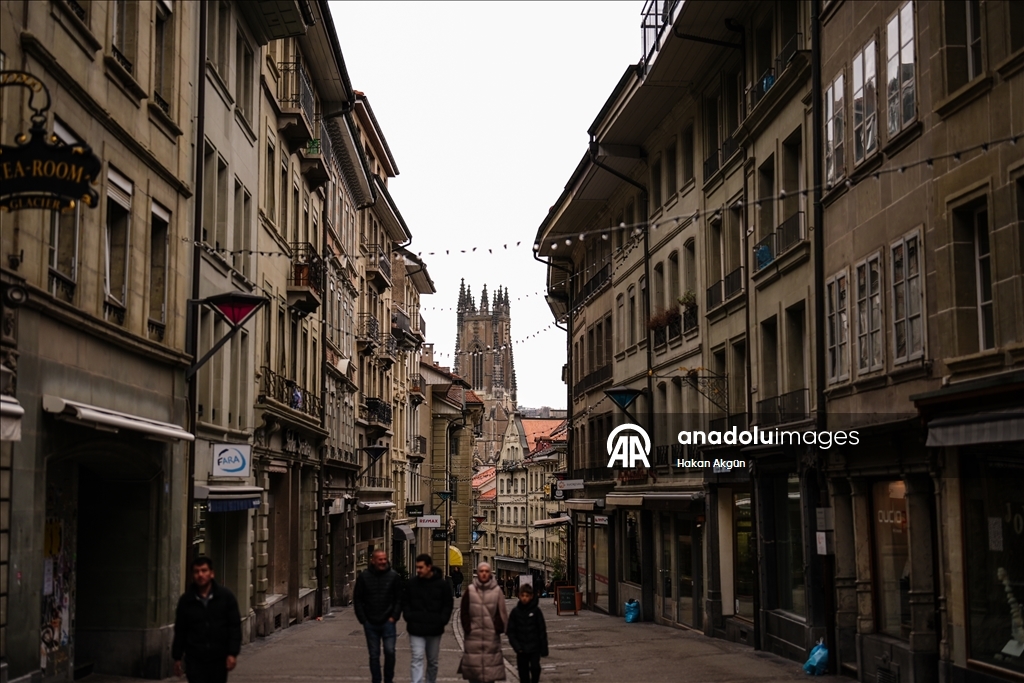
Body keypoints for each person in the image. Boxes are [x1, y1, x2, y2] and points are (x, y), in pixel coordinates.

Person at [172, 556, 242, 683]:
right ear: (193, 575)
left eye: (204, 570)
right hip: (195, 658)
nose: (200, 575)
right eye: (196, 571)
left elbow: (234, 626)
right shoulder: (186, 601)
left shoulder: (225, 597)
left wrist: (232, 653)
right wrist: (177, 657)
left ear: (211, 573)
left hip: (218, 657)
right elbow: (180, 630)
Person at [403, 554, 454, 683]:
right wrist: (409, 616)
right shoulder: (412, 584)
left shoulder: (442, 585)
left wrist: (442, 619)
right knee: (417, 657)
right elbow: (406, 602)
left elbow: (447, 604)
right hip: (416, 628)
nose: (418, 570)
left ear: (429, 567)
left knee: (432, 661)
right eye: (417, 567)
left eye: (421, 567)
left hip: (434, 629)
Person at [354, 549, 403, 683]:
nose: (383, 562)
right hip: (370, 622)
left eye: (384, 559)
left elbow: (399, 598)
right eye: (380, 559)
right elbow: (358, 599)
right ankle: (376, 680)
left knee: (390, 652)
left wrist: (394, 616)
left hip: (388, 622)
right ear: (373, 560)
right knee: (374, 654)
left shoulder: (393, 576)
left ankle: (388, 680)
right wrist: (363, 619)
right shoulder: (364, 577)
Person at [458, 562, 508, 683]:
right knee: (474, 673)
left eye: (486, 571)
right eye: (481, 571)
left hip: (491, 637)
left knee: (490, 673)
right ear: (477, 573)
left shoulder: (497, 591)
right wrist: (468, 628)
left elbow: (502, 612)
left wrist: (497, 628)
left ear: (490, 573)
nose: (484, 573)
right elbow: (464, 612)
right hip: (473, 637)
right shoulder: (470, 591)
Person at [506, 584, 548, 683]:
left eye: (527, 596)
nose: (525, 598)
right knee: (523, 672)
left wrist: (543, 648)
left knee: (535, 668)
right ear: (519, 596)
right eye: (523, 595)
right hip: (521, 649)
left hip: (534, 647)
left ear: (531, 596)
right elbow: (511, 631)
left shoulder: (536, 611)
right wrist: (517, 647)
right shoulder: (515, 612)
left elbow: (542, 630)